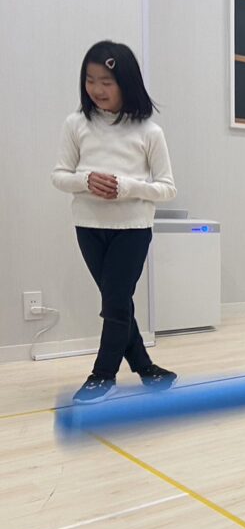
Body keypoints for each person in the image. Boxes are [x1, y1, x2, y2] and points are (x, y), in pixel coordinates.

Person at [51, 40, 178, 403]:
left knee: (116, 303)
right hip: (88, 227)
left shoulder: (149, 131)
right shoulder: (76, 124)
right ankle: (146, 368)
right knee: (117, 302)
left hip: (133, 230)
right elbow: (59, 176)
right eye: (90, 80)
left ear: (126, 82)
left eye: (106, 82)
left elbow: (167, 188)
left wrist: (127, 187)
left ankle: (102, 375)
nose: (97, 89)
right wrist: (86, 180)